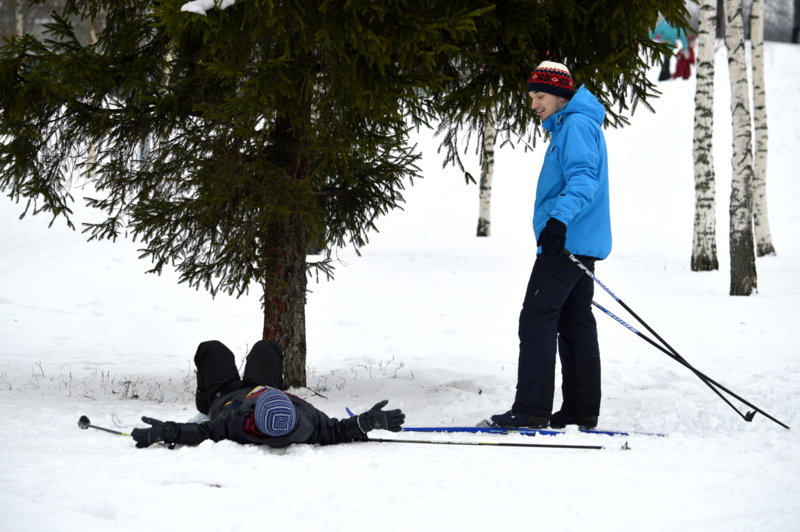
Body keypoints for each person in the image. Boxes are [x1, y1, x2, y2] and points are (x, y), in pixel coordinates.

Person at [490, 61, 611, 430]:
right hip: (580, 242)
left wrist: (558, 221)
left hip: (566, 242)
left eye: (539, 96)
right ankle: (580, 410)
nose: (534, 104)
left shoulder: (574, 125)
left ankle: (530, 409)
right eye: (531, 97)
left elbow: (583, 179)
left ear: (560, 94)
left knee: (537, 318)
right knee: (575, 322)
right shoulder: (576, 124)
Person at [131, 339, 405, 448]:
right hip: (259, 385)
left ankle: (205, 396)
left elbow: (201, 433)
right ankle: (262, 383)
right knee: (266, 348)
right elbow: (339, 430)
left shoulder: (235, 423)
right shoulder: (308, 421)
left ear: (254, 414)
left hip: (224, 396)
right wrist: (370, 421)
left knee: (213, 349)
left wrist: (166, 431)